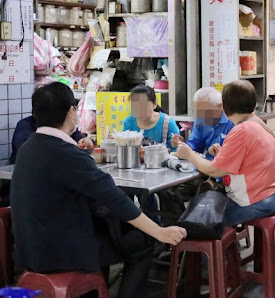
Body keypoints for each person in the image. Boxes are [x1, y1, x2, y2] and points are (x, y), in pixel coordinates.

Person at [11, 82, 186, 298]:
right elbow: (116, 199)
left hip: (28, 250)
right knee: (143, 240)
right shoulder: (68, 154)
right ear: (71, 112)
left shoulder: (27, 148)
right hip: (60, 254)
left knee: (105, 229)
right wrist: (160, 232)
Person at [177, 80, 275, 226]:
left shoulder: (241, 130)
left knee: (198, 219)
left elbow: (214, 170)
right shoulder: (257, 123)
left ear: (224, 106)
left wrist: (189, 154)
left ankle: (211, 247)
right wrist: (222, 154)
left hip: (257, 201)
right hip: (273, 195)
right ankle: (226, 246)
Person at [171, 87, 235, 160]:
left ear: (220, 106)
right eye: (199, 111)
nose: (202, 116)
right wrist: (183, 144)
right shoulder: (200, 120)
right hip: (206, 164)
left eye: (206, 111)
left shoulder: (233, 122)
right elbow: (196, 145)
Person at [11, 114, 93, 164]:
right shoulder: (25, 125)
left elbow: (74, 133)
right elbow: (29, 149)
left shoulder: (57, 124)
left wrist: (81, 139)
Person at [122, 85, 180, 151]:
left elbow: (176, 150)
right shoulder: (129, 122)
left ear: (154, 104)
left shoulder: (167, 123)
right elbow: (125, 149)